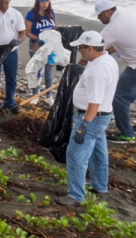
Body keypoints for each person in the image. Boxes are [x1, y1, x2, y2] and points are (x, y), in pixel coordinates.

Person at [56, 31, 118, 206]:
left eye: (81, 48)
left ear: (90, 48)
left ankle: (75, 195)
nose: (80, 51)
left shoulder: (97, 71)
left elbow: (94, 103)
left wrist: (84, 125)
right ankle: (100, 185)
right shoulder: (106, 59)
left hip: (92, 117)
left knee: (76, 154)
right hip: (103, 116)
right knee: (98, 152)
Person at [92, 0, 136, 143]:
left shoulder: (113, 27)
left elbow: (93, 49)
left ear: (108, 12)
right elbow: (119, 43)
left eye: (99, 15)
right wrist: (107, 53)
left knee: (119, 98)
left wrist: (80, 66)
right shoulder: (126, 15)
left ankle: (126, 133)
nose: (98, 18)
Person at [24, 0, 57, 104]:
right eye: (42, 1)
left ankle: (49, 96)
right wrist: (39, 39)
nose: (45, 3)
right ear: (37, 2)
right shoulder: (31, 14)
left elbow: (55, 28)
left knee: (49, 69)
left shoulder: (51, 13)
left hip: (49, 46)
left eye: (47, 0)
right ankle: (35, 95)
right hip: (36, 44)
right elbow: (27, 32)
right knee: (37, 69)